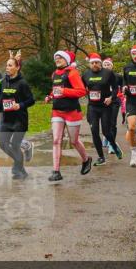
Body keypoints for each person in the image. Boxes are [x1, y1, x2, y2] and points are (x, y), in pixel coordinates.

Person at [46, 50, 92, 182]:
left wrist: (64, 91)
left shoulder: (72, 72)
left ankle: (86, 159)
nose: (57, 60)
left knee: (74, 141)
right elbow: (55, 89)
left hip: (72, 111)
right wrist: (50, 96)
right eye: (56, 58)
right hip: (57, 111)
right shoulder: (55, 73)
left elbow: (82, 91)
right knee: (56, 140)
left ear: (66, 60)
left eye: (60, 58)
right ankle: (56, 171)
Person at [0, 52, 35, 180]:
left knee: (15, 145)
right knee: (2, 143)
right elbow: (2, 97)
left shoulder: (22, 83)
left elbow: (31, 100)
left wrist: (20, 105)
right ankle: (19, 167)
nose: (7, 68)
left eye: (10, 65)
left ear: (17, 68)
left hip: (19, 120)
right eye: (6, 65)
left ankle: (18, 169)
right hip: (7, 119)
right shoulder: (4, 82)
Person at [83, 53, 121, 165]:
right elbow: (81, 87)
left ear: (100, 63)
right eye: (92, 63)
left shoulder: (108, 73)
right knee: (94, 131)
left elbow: (115, 88)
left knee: (106, 131)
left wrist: (111, 97)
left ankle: (114, 145)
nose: (94, 65)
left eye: (97, 63)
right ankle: (101, 157)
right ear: (89, 64)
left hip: (105, 106)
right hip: (92, 107)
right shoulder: (85, 74)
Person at [102, 57, 124, 157]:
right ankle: (106, 137)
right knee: (105, 122)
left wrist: (124, 89)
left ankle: (112, 144)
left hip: (115, 101)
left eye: (108, 65)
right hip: (103, 102)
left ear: (112, 66)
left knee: (113, 122)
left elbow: (124, 84)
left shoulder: (117, 76)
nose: (107, 66)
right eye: (105, 65)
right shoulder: (99, 76)